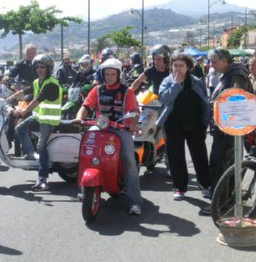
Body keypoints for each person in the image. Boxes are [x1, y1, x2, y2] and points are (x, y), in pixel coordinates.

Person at [75, 58, 142, 215]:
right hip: (100, 127)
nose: (110, 77)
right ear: (102, 75)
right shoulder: (97, 90)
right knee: (85, 150)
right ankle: (85, 187)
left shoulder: (128, 92)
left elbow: (135, 111)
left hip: (121, 130)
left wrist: (132, 123)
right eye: (107, 74)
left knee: (129, 162)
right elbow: (85, 106)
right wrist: (79, 117)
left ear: (118, 75)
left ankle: (135, 201)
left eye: (113, 74)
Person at [201, 47, 253, 215]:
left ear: (224, 60)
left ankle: (220, 204)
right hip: (225, 129)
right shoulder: (230, 73)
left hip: (228, 131)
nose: (212, 65)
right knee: (224, 164)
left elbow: (237, 98)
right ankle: (227, 200)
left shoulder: (236, 74)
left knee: (219, 165)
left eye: (214, 62)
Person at [157, 54, 211, 200]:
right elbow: (164, 99)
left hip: (195, 124)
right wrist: (176, 85)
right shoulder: (167, 81)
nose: (178, 69)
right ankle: (179, 187)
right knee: (175, 157)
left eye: (181, 66)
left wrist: (205, 122)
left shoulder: (197, 82)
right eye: (175, 65)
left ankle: (205, 185)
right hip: (172, 125)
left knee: (199, 156)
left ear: (188, 67)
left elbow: (205, 101)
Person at [11, 54, 62, 191]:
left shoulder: (51, 83)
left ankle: (43, 179)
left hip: (49, 120)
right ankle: (30, 154)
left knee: (42, 147)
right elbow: (25, 91)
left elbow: (37, 100)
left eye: (42, 67)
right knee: (20, 128)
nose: (39, 69)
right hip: (39, 117)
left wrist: (23, 112)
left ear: (48, 68)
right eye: (37, 67)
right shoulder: (37, 81)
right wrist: (8, 98)